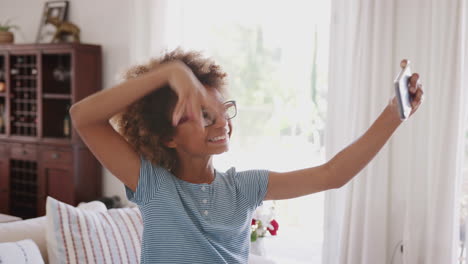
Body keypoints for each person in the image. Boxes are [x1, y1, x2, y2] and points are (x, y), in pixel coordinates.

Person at [69, 49, 424, 264]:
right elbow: (83, 117)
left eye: (224, 110)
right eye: (205, 115)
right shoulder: (153, 184)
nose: (222, 121)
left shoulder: (245, 187)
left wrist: (393, 114)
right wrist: (169, 73)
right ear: (167, 136)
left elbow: (332, 174)